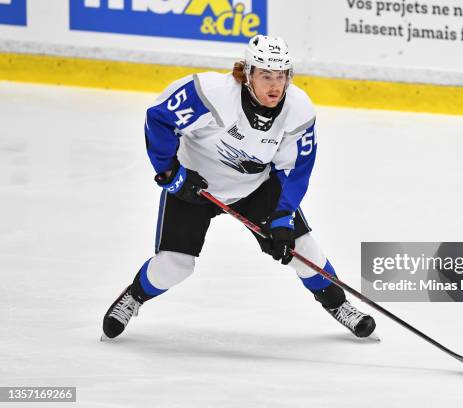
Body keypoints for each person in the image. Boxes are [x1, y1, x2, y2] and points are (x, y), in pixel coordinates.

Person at [102, 35, 376, 340]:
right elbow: (160, 118)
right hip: (194, 186)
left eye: (282, 76)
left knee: (303, 249)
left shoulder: (298, 110)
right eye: (266, 76)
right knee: (175, 266)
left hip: (254, 186)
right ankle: (134, 297)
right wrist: (171, 173)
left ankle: (339, 305)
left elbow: (295, 169)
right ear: (247, 74)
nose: (275, 86)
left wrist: (283, 216)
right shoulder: (211, 94)